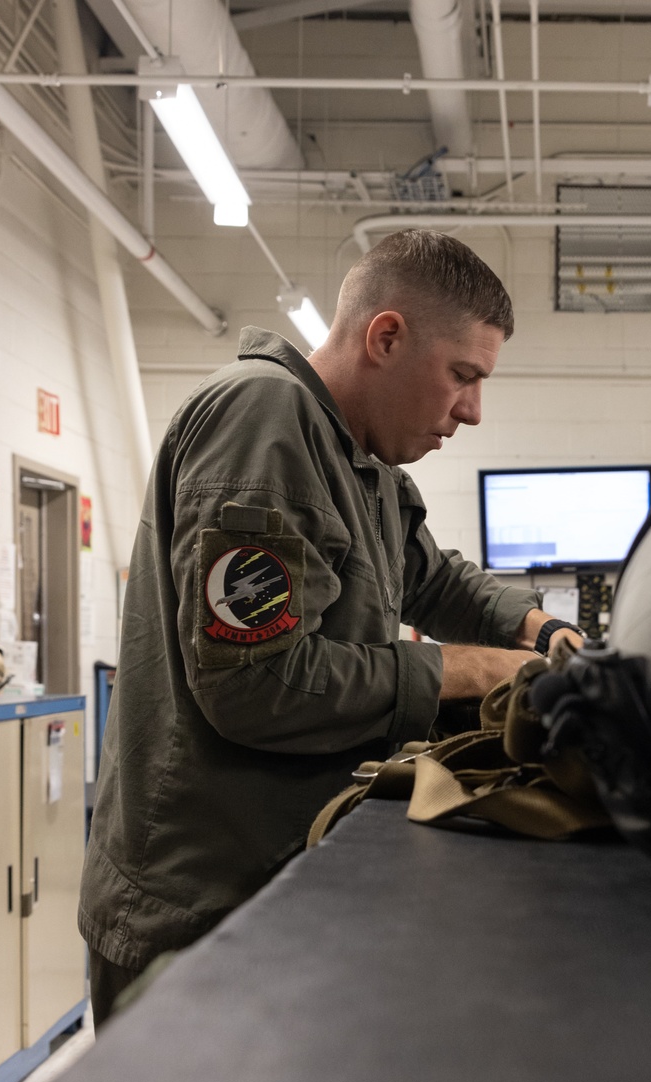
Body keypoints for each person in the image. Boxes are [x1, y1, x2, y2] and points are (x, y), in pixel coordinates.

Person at [79, 230, 581, 1024]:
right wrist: (476, 671)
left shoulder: (364, 461)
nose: (473, 411)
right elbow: (255, 683)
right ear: (386, 336)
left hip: (275, 887)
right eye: (462, 376)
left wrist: (537, 625)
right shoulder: (264, 420)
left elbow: (430, 575)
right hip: (203, 909)